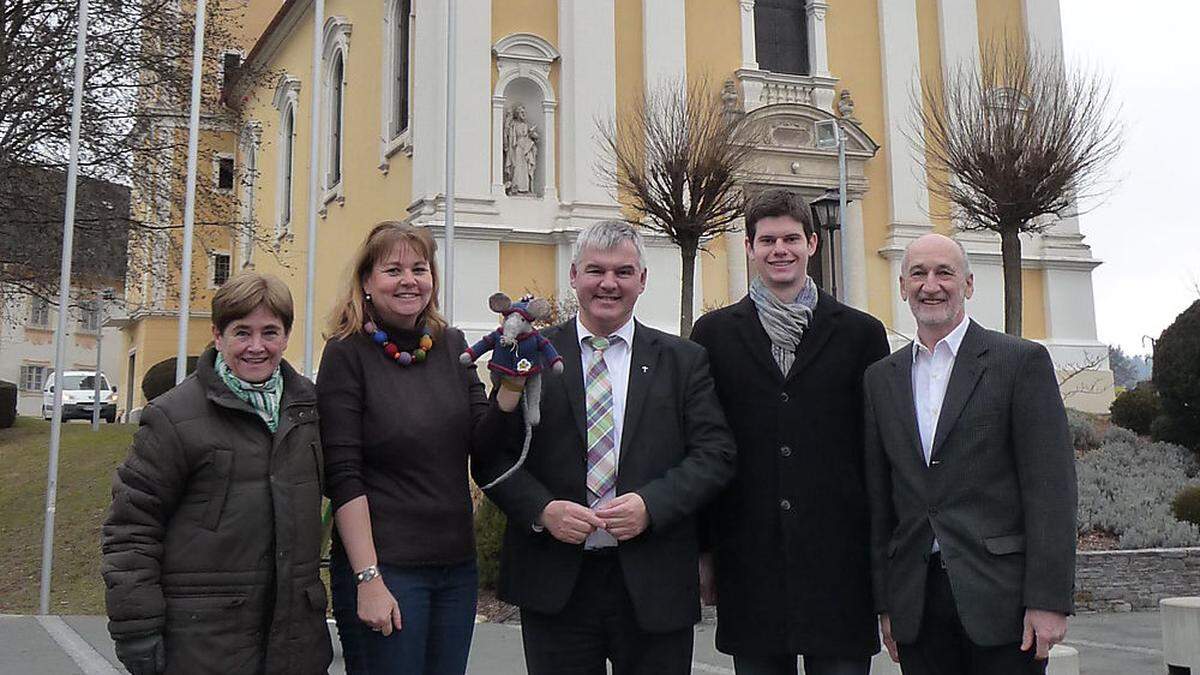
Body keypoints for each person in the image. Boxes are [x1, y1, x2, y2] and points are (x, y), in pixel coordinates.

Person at [476, 219, 737, 675]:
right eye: (596, 270)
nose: (608, 284)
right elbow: (491, 456)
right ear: (574, 275)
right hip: (556, 583)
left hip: (653, 581)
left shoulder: (683, 360)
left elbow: (714, 455)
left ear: (642, 279)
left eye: (623, 271)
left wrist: (650, 506)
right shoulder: (527, 352)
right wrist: (541, 510)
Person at [690, 189, 890, 675]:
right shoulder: (712, 334)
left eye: (791, 239)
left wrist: (883, 556)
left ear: (812, 245)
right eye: (767, 240)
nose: (780, 249)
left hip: (839, 562)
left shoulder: (861, 334)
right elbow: (700, 446)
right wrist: (704, 550)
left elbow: (877, 449)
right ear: (748, 248)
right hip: (749, 557)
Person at [863, 233, 1077, 675]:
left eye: (945, 272)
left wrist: (1049, 601)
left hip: (1003, 604)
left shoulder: (1020, 363)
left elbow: (1051, 491)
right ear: (902, 286)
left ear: (969, 284)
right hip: (918, 605)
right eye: (918, 273)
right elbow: (881, 499)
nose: (931, 285)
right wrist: (887, 605)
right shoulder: (881, 379)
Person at [102, 272, 332, 675]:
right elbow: (132, 526)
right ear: (217, 334)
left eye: (270, 332)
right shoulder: (172, 417)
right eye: (242, 332)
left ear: (287, 334)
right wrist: (137, 627)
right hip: (204, 644)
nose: (256, 347)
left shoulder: (309, 411)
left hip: (295, 644)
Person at [317, 221, 503, 674]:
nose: (408, 280)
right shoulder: (347, 354)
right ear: (366, 281)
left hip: (455, 567)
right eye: (392, 270)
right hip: (386, 568)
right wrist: (368, 577)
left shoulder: (451, 345)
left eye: (419, 268)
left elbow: (484, 443)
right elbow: (343, 475)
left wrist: (511, 389)